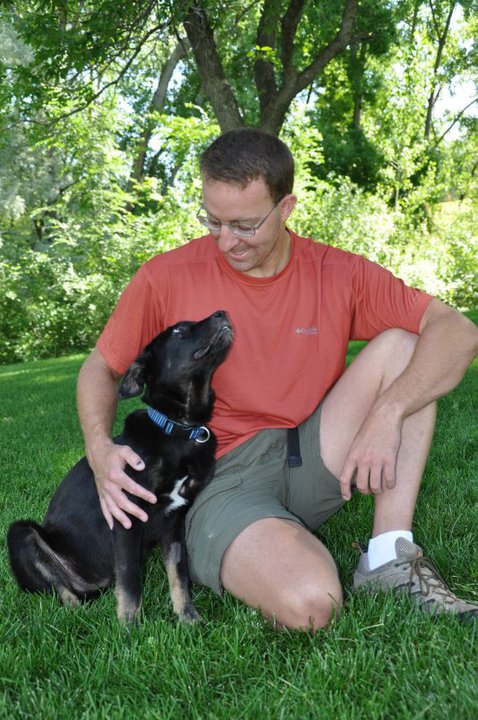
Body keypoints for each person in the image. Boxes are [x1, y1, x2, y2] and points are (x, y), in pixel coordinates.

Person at [77, 128, 478, 630]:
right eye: (213, 221)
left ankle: (387, 556)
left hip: (307, 447)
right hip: (217, 472)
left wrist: (387, 413)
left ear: (285, 208)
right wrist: (98, 448)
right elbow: (102, 366)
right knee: (313, 605)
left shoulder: (336, 271)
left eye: (244, 225)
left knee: (407, 346)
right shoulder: (165, 276)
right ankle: (256, 540)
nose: (226, 241)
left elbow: (457, 332)